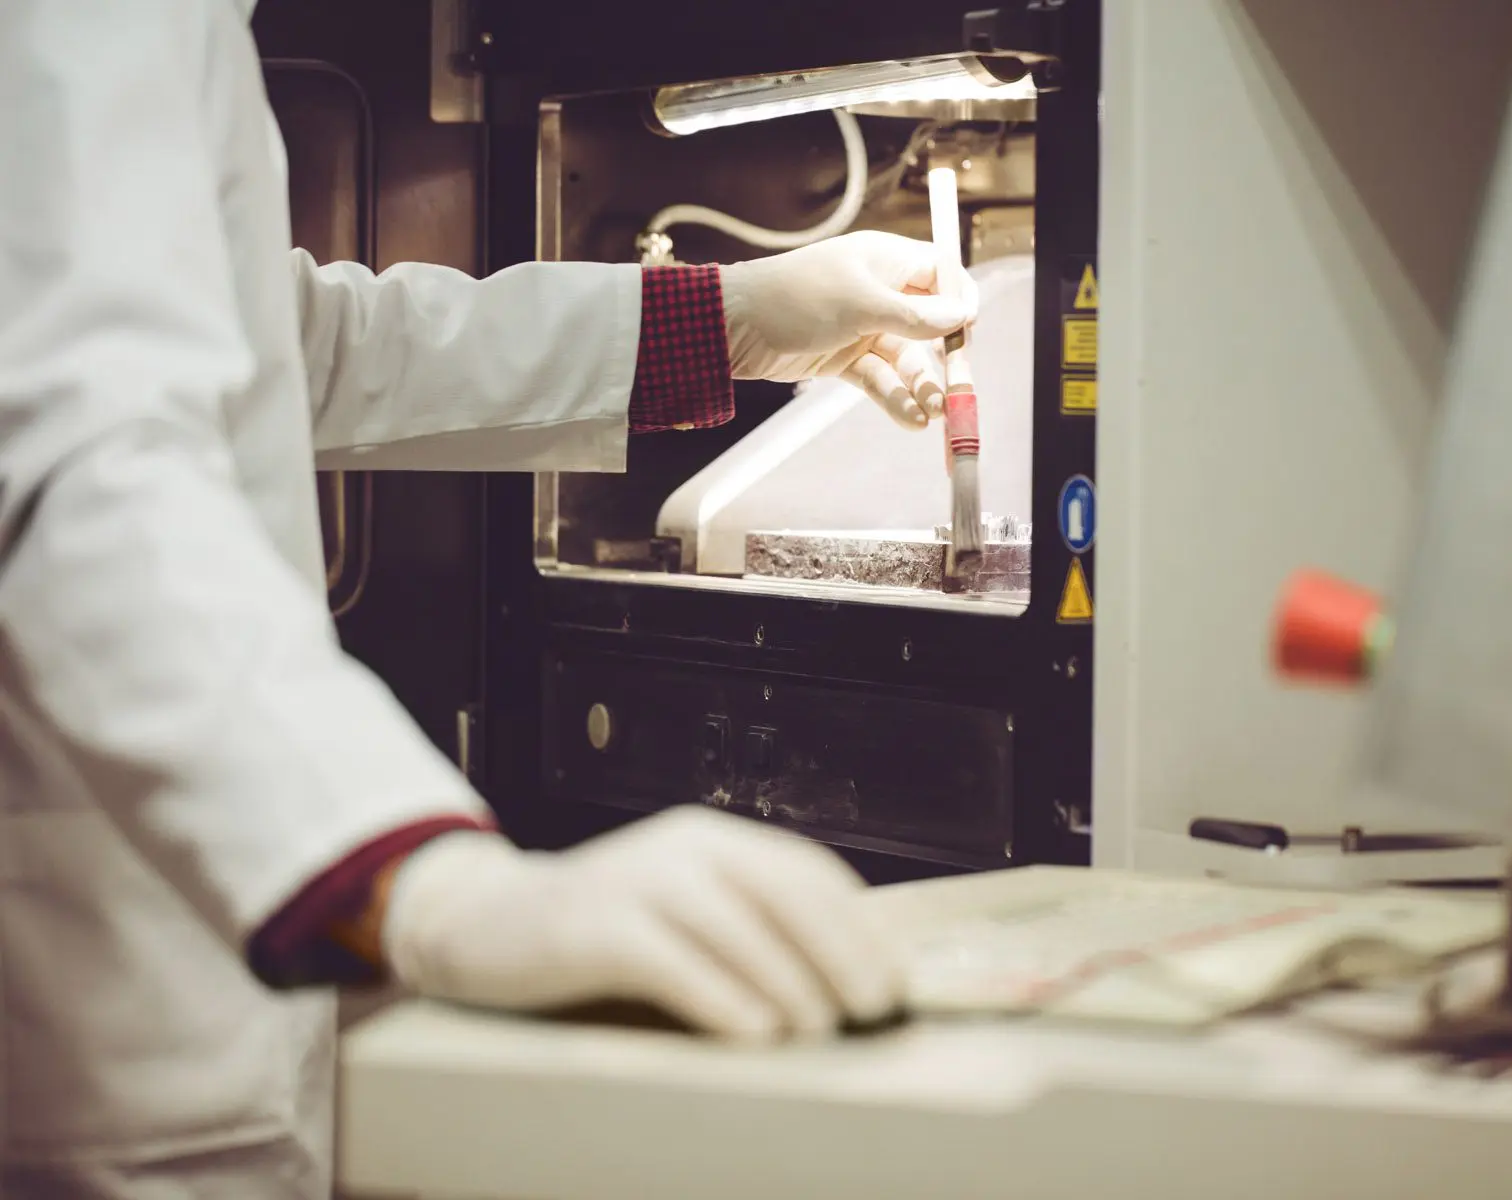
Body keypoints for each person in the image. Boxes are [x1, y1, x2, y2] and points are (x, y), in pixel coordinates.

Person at [0, 2, 978, 1196]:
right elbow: (73, 464)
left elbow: (284, 341)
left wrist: (739, 319)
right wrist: (428, 881)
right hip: (107, 1014)